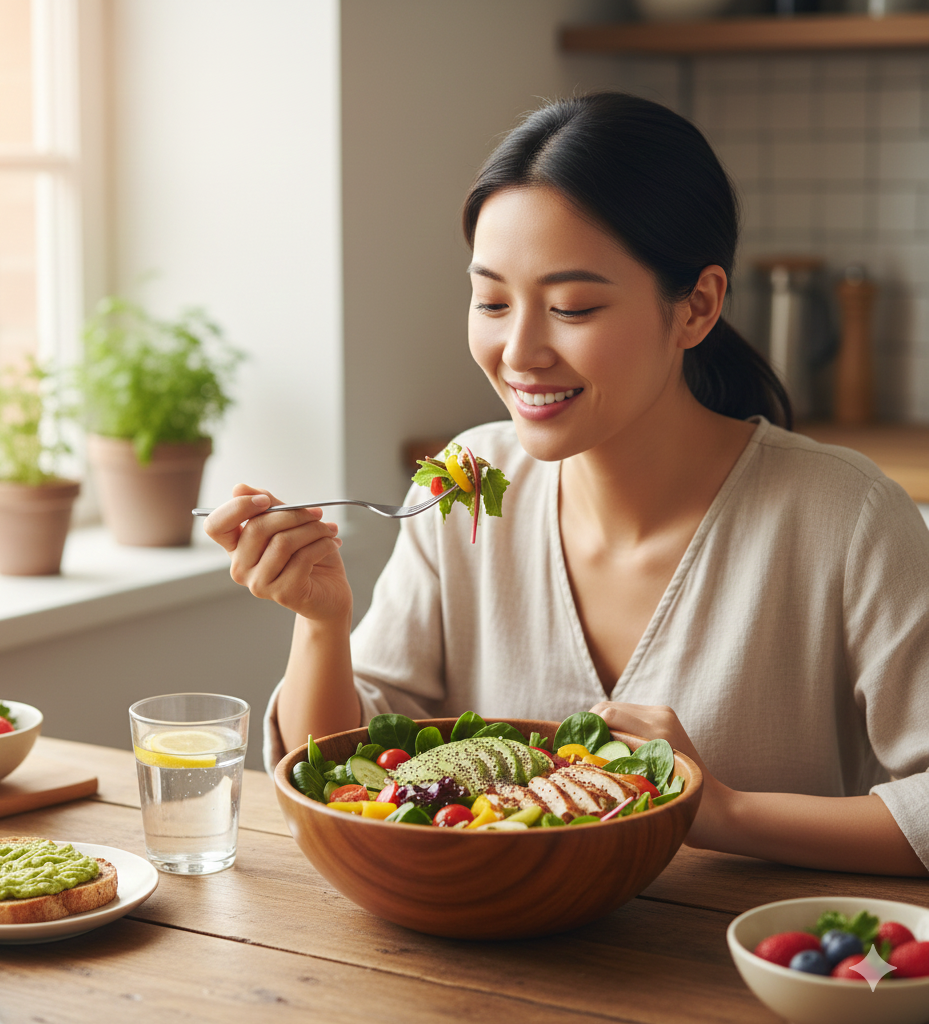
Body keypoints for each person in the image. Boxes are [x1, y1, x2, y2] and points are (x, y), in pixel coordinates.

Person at [205, 93, 929, 876]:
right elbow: (344, 769)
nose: (519, 352)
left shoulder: (847, 518)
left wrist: (720, 809)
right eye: (491, 301)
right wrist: (321, 621)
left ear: (697, 307)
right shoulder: (466, 485)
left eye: (572, 308)